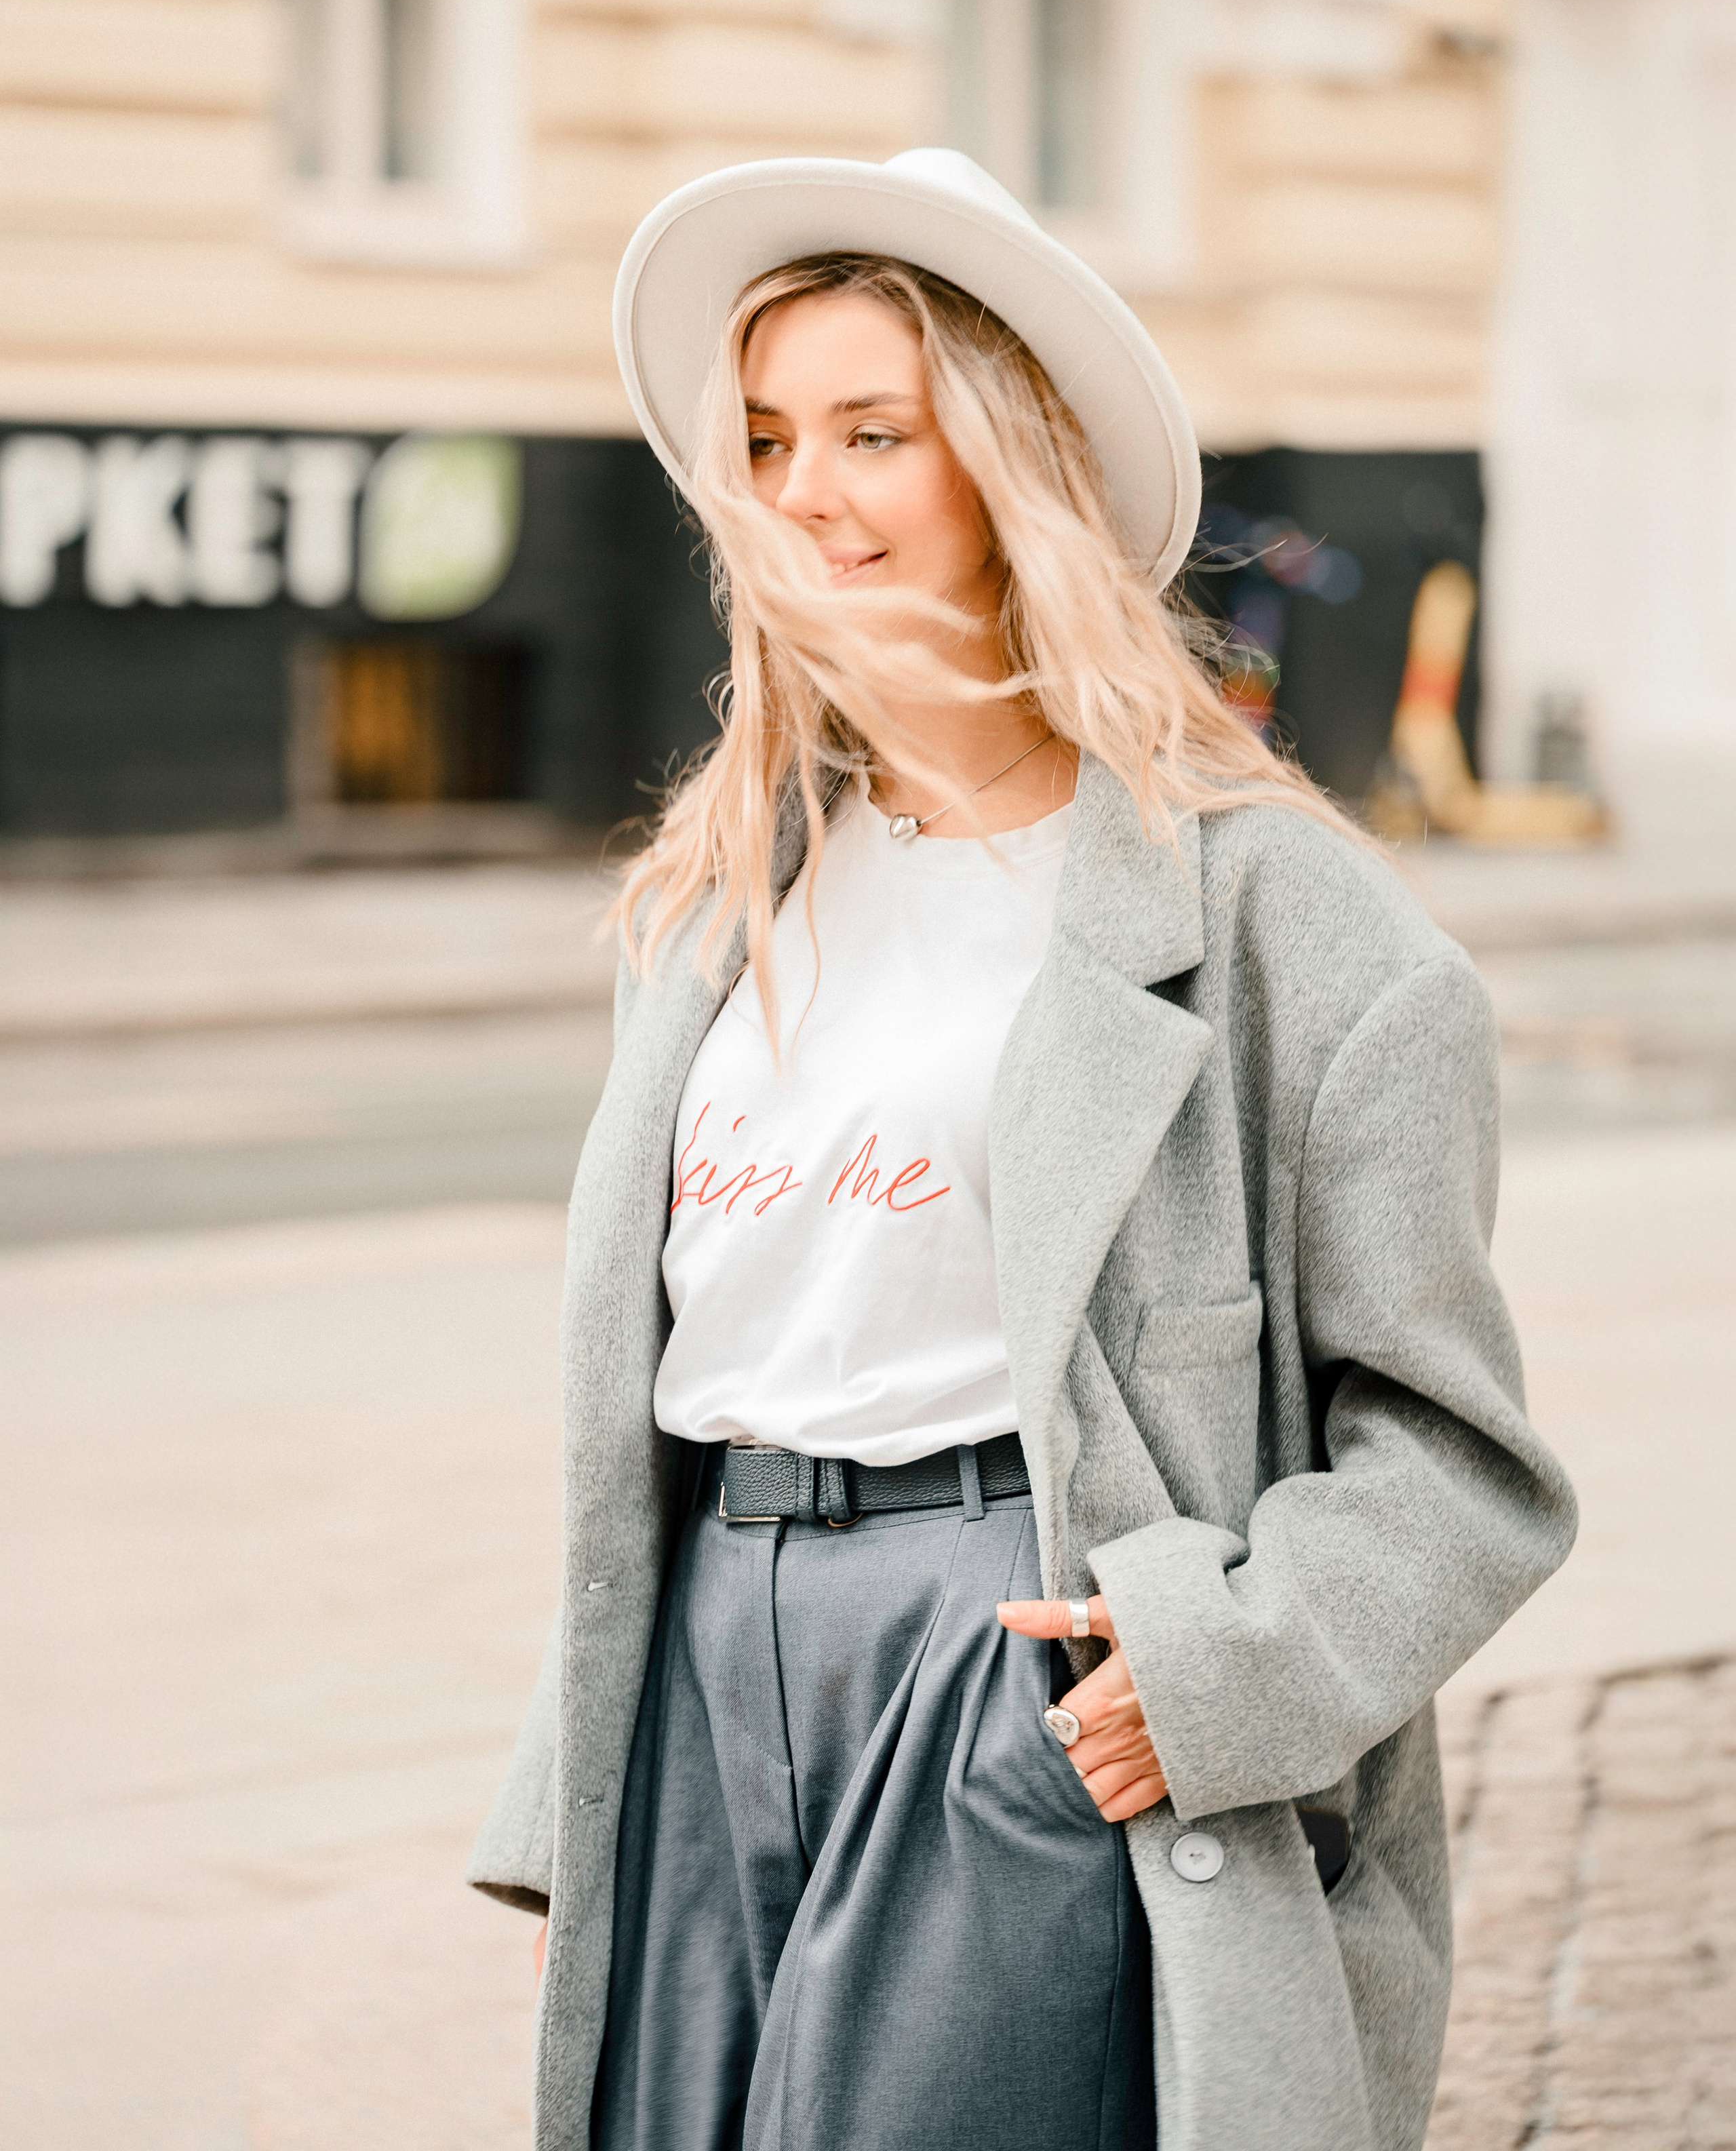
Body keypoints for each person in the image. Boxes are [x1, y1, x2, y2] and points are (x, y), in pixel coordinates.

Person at [469, 149, 1575, 2151]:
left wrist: (1219, 1668)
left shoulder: (1288, 925)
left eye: (872, 433)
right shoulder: (717, 900)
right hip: (707, 1656)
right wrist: (590, 1784)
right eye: (766, 440)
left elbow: (1462, 1462)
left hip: (1008, 1661)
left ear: (1012, 467)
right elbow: (656, 1407)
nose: (803, 490)